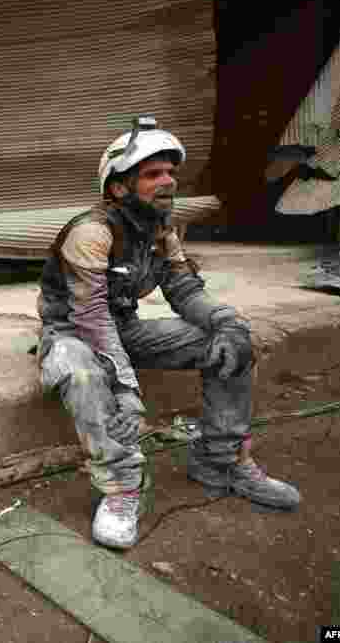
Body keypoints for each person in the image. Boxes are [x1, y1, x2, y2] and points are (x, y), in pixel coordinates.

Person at [36, 117, 301, 550]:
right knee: (79, 369)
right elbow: (92, 321)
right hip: (74, 333)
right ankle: (122, 486)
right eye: (152, 174)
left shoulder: (160, 231)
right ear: (118, 187)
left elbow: (185, 290)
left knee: (230, 342)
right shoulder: (91, 232)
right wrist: (126, 388)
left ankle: (221, 459)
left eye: (171, 173)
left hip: (124, 330)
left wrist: (228, 323)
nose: (168, 182)